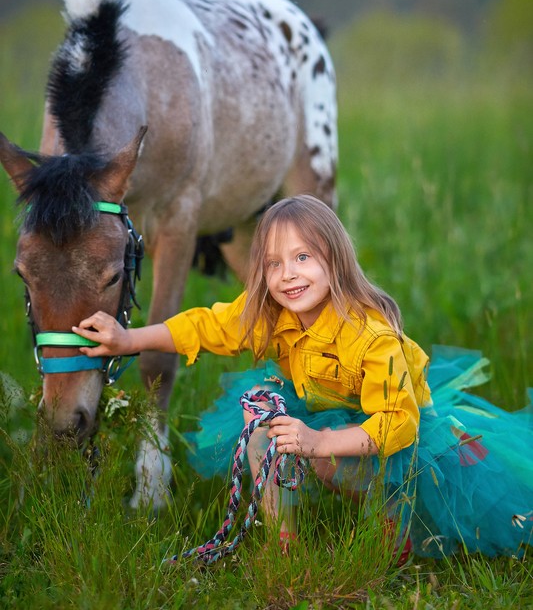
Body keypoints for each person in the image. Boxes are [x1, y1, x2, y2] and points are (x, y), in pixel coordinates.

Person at [74, 195, 532, 560]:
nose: (287, 275)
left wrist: (320, 444)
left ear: (334, 260)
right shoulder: (274, 314)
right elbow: (207, 326)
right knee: (262, 428)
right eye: (274, 263)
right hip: (325, 416)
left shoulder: (372, 337)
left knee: (361, 466)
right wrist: (127, 339)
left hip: (396, 438)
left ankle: (394, 523)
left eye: (303, 257)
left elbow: (398, 421)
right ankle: (284, 545)